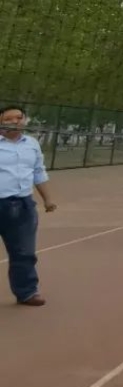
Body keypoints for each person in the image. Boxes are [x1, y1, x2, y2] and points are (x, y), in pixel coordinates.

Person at [0, 105, 57, 306]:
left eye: (19, 117)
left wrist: (47, 199)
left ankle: (27, 292)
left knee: (24, 252)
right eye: (9, 118)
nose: (15, 121)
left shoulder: (32, 144)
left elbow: (38, 171)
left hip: (23, 206)